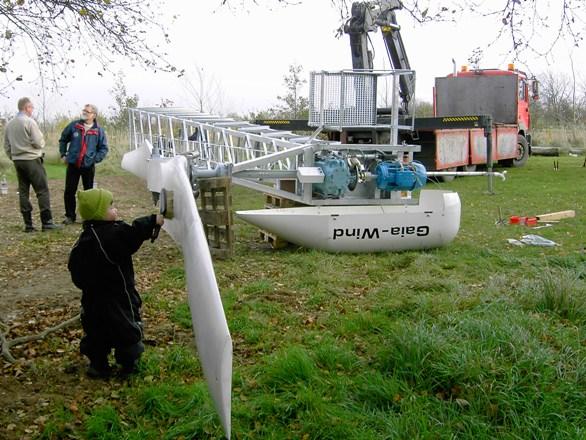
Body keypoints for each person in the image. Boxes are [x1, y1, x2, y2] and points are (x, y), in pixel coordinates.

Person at [67, 188, 164, 378]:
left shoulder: (85, 239)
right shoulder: (110, 235)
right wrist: (153, 221)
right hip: (117, 296)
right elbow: (132, 234)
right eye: (111, 206)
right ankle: (129, 366)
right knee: (126, 329)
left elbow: (75, 271)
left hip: (92, 300)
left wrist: (89, 285)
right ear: (98, 212)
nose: (115, 209)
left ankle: (98, 364)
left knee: (95, 332)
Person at [3, 97, 60, 232]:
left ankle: (28, 224)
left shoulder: (9, 124)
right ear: (26, 107)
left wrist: (13, 156)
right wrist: (38, 146)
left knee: (23, 191)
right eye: (31, 107)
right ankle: (47, 222)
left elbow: (6, 145)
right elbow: (39, 142)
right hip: (31, 160)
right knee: (42, 190)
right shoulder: (29, 122)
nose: (32, 110)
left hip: (18, 160)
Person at [59, 104, 108, 224]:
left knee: (89, 192)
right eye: (84, 110)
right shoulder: (74, 126)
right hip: (73, 165)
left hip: (88, 166)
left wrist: (94, 159)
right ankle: (70, 216)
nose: (85, 112)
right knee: (69, 191)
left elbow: (103, 148)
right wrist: (63, 154)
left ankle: (88, 217)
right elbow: (63, 139)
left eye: (88, 111)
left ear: (94, 115)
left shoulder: (98, 131)